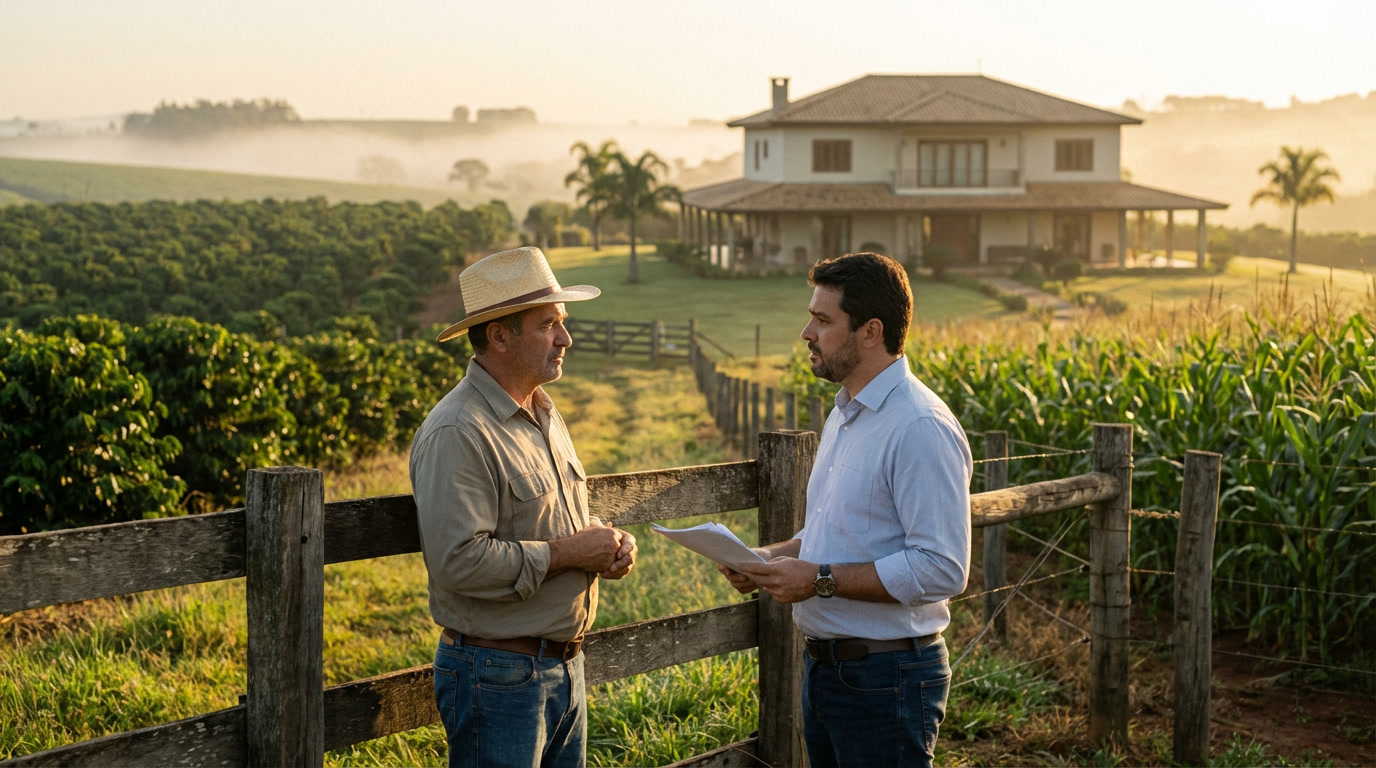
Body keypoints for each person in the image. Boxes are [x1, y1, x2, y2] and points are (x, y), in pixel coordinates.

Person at [718, 251, 972, 768]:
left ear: (870, 332)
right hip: (828, 672)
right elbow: (836, 533)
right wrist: (767, 557)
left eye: (823, 319)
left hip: (888, 679)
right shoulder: (847, 413)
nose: (806, 332)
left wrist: (818, 579)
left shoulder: (919, 427)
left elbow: (943, 566)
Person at [411, 246, 637, 768]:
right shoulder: (458, 430)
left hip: (560, 670)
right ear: (499, 334)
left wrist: (605, 544)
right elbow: (457, 561)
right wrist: (569, 553)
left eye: (562, 322)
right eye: (548, 324)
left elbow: (550, 521)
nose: (566, 338)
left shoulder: (541, 412)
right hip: (497, 675)